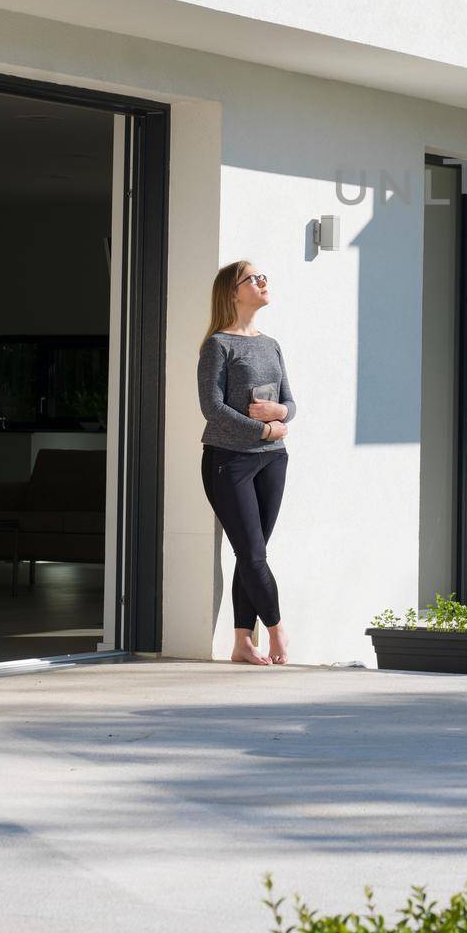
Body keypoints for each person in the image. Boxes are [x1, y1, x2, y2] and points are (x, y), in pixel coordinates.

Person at [197, 261, 296, 665]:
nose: (262, 282)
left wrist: (280, 414)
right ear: (233, 292)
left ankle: (241, 642)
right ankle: (277, 632)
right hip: (229, 462)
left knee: (248, 553)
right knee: (254, 554)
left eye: (263, 277)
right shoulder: (218, 345)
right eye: (253, 279)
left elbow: (289, 401)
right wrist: (264, 431)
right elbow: (212, 408)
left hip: (272, 461)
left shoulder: (270, 344)